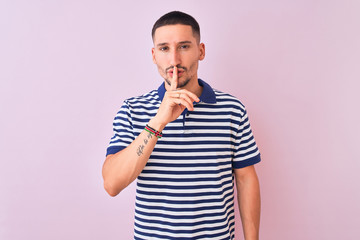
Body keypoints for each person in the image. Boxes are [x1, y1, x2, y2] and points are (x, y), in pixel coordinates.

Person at [102, 11, 261, 240]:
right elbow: (111, 184)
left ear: (201, 51)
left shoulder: (232, 109)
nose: (174, 60)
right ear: (154, 55)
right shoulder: (132, 109)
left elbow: (246, 179)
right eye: (164, 48)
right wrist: (158, 122)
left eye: (184, 47)